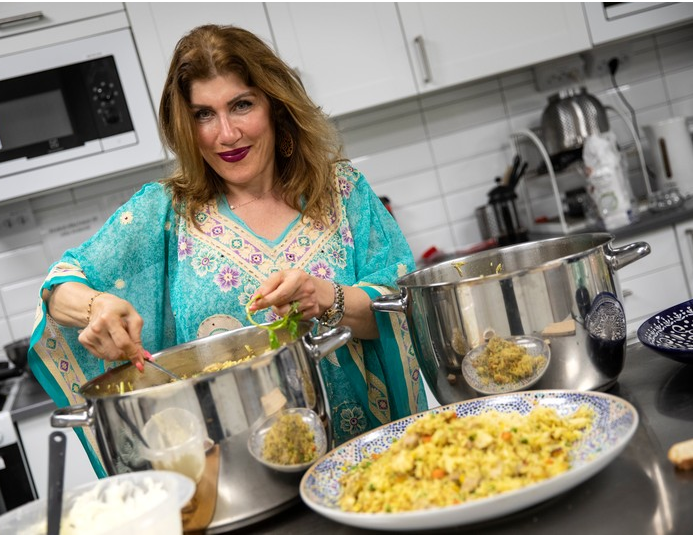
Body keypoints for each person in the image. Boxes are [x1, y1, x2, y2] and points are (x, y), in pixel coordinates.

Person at [28, 24, 426, 477]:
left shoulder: (342, 191)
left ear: (275, 106)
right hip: (241, 479)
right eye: (203, 114)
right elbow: (59, 285)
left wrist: (327, 297)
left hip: (369, 463)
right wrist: (97, 307)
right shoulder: (164, 212)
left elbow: (402, 308)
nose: (226, 134)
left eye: (241, 105)